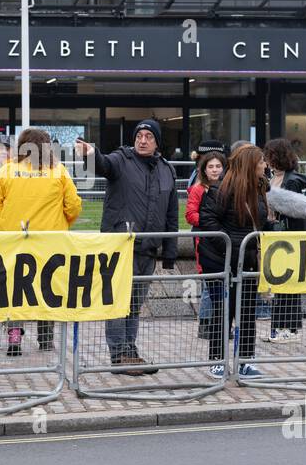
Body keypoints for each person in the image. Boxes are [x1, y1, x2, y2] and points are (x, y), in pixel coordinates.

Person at [75, 118, 178, 371]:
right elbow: (102, 165)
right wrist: (91, 154)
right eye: (139, 136)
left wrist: (170, 253)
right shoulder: (122, 159)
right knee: (117, 302)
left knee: (134, 305)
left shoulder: (167, 170)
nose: (143, 140)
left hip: (149, 249)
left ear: (157, 142)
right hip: (121, 246)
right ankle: (119, 354)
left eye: (148, 137)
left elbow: (172, 214)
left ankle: (130, 350)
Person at [0, 128, 82, 357]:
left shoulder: (6, 171)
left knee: (15, 289)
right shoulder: (58, 172)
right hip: (49, 242)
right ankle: (46, 339)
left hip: (13, 241)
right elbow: (74, 205)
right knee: (47, 288)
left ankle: (14, 336)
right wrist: (63, 223)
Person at [198, 145, 271, 379]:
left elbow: (256, 222)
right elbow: (208, 221)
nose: (265, 165)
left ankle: (245, 360)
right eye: (261, 162)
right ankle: (218, 360)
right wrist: (229, 249)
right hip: (221, 260)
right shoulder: (220, 189)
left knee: (247, 311)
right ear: (251, 164)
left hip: (246, 260)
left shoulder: (259, 189)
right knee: (223, 311)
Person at [265, 137, 306, 343]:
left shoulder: (292, 181)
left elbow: (295, 210)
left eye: (269, 155)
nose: (266, 159)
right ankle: (279, 327)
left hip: (289, 237)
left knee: (289, 285)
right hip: (276, 236)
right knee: (280, 285)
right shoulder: (273, 179)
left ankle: (291, 328)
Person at [187, 148, 226, 344]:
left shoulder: (227, 187)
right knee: (209, 285)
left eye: (218, 166)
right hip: (204, 238)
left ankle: (221, 325)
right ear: (204, 169)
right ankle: (206, 324)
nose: (215, 170)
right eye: (211, 166)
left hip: (222, 238)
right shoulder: (198, 188)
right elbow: (190, 214)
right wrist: (209, 221)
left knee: (222, 285)